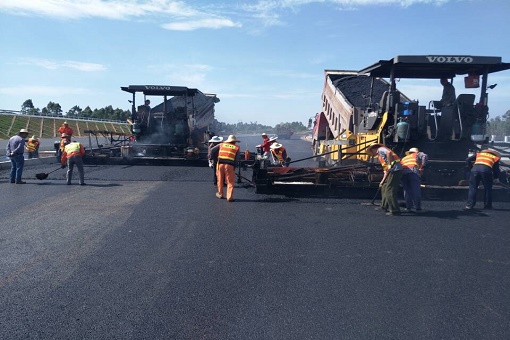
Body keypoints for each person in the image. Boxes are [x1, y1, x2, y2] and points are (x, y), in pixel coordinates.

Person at [367, 143, 403, 216]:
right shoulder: (381, 156)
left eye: (372, 151)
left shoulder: (380, 149)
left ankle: (395, 210)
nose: (372, 153)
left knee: (389, 190)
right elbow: (386, 170)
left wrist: (390, 164)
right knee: (384, 187)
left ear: (374, 148)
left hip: (395, 170)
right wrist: (382, 182)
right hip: (392, 171)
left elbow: (389, 153)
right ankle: (384, 206)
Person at [210, 135, 240, 202]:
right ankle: (229, 197)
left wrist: (211, 158)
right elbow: (237, 159)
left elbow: (212, 150)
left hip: (220, 164)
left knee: (220, 180)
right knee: (230, 182)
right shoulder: (236, 148)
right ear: (234, 142)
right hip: (230, 165)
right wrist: (235, 167)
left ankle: (220, 194)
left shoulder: (221, 144)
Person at [400, 147, 428, 212]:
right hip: (413, 173)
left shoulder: (404, 158)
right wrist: (422, 166)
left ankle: (408, 207)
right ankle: (418, 208)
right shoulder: (417, 154)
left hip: (404, 174)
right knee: (416, 190)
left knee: (407, 191)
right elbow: (424, 156)